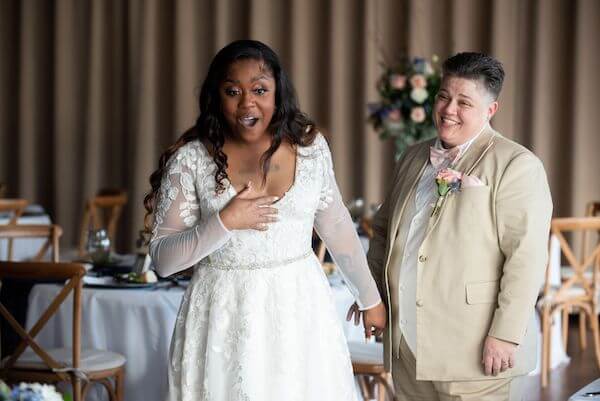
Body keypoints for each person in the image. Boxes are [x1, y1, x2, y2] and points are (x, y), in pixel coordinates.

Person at [143, 40, 386, 401]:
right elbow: (163, 260)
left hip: (301, 310)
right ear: (216, 96)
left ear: (278, 93)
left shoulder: (310, 147)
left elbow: (335, 225)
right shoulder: (192, 160)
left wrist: (369, 298)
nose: (247, 103)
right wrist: (225, 220)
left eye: (259, 90)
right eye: (232, 91)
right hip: (224, 318)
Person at [364, 52, 552, 400]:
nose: (448, 109)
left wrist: (506, 334)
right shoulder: (412, 156)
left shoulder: (517, 164)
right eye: (443, 96)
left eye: (464, 102)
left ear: (490, 110)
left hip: (473, 346)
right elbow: (383, 230)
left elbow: (525, 259)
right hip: (407, 345)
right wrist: (373, 295)